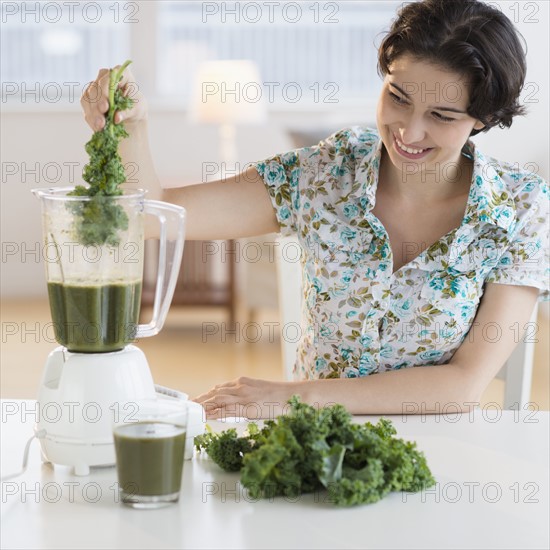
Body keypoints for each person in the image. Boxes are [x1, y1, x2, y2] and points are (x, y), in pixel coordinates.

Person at [81, 0, 549, 418]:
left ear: (484, 118)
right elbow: (150, 217)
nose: (409, 131)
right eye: (398, 98)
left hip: (439, 451)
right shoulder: (328, 170)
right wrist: (132, 127)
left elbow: (462, 386)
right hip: (314, 444)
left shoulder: (522, 208)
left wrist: (292, 397)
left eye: (442, 117)